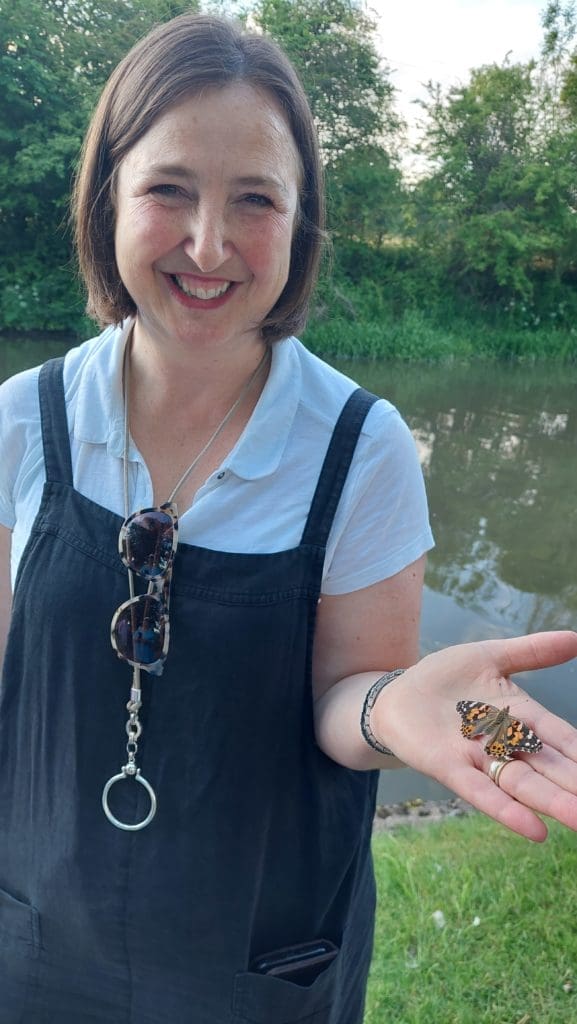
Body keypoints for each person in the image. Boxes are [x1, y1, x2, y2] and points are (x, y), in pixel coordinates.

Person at [0, 12, 576, 1023]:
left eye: (254, 200)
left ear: (301, 222)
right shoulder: (19, 422)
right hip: (34, 945)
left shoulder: (362, 446)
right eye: (168, 189)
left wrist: (397, 705)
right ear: (106, 199)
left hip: (259, 968)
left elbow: (346, 693)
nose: (208, 243)